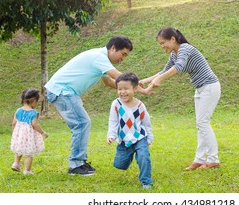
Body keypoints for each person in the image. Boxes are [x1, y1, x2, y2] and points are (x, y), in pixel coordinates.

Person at [45, 36, 149, 176]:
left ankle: (80, 162)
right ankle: (76, 165)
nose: (123, 59)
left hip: (64, 91)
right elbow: (119, 77)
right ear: (113, 48)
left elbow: (111, 83)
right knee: (82, 123)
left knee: (82, 123)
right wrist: (136, 82)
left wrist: (141, 90)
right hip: (62, 90)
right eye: (123, 54)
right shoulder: (98, 57)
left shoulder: (99, 60)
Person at [140, 27, 221, 171]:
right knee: (201, 124)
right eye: (160, 44)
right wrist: (145, 81)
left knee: (202, 123)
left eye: (163, 42)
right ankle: (199, 159)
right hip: (200, 89)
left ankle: (213, 159)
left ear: (173, 39)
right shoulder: (174, 54)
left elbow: (179, 67)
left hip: (210, 87)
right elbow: (164, 71)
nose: (162, 46)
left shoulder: (185, 48)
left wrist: (160, 79)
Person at [107, 72, 154, 189]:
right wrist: (111, 135)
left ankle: (146, 181)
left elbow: (146, 123)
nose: (122, 92)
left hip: (139, 137)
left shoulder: (140, 106)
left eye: (126, 89)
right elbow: (113, 121)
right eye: (119, 89)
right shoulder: (116, 104)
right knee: (120, 165)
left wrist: (149, 138)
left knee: (144, 157)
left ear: (135, 89)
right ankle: (129, 154)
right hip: (124, 139)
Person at [11, 88, 48, 175]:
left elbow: (13, 123)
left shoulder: (18, 110)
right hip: (28, 137)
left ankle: (16, 163)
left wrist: (15, 133)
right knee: (29, 154)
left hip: (19, 135)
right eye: (37, 102)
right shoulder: (33, 113)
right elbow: (34, 124)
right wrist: (42, 133)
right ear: (34, 100)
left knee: (19, 149)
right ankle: (27, 170)